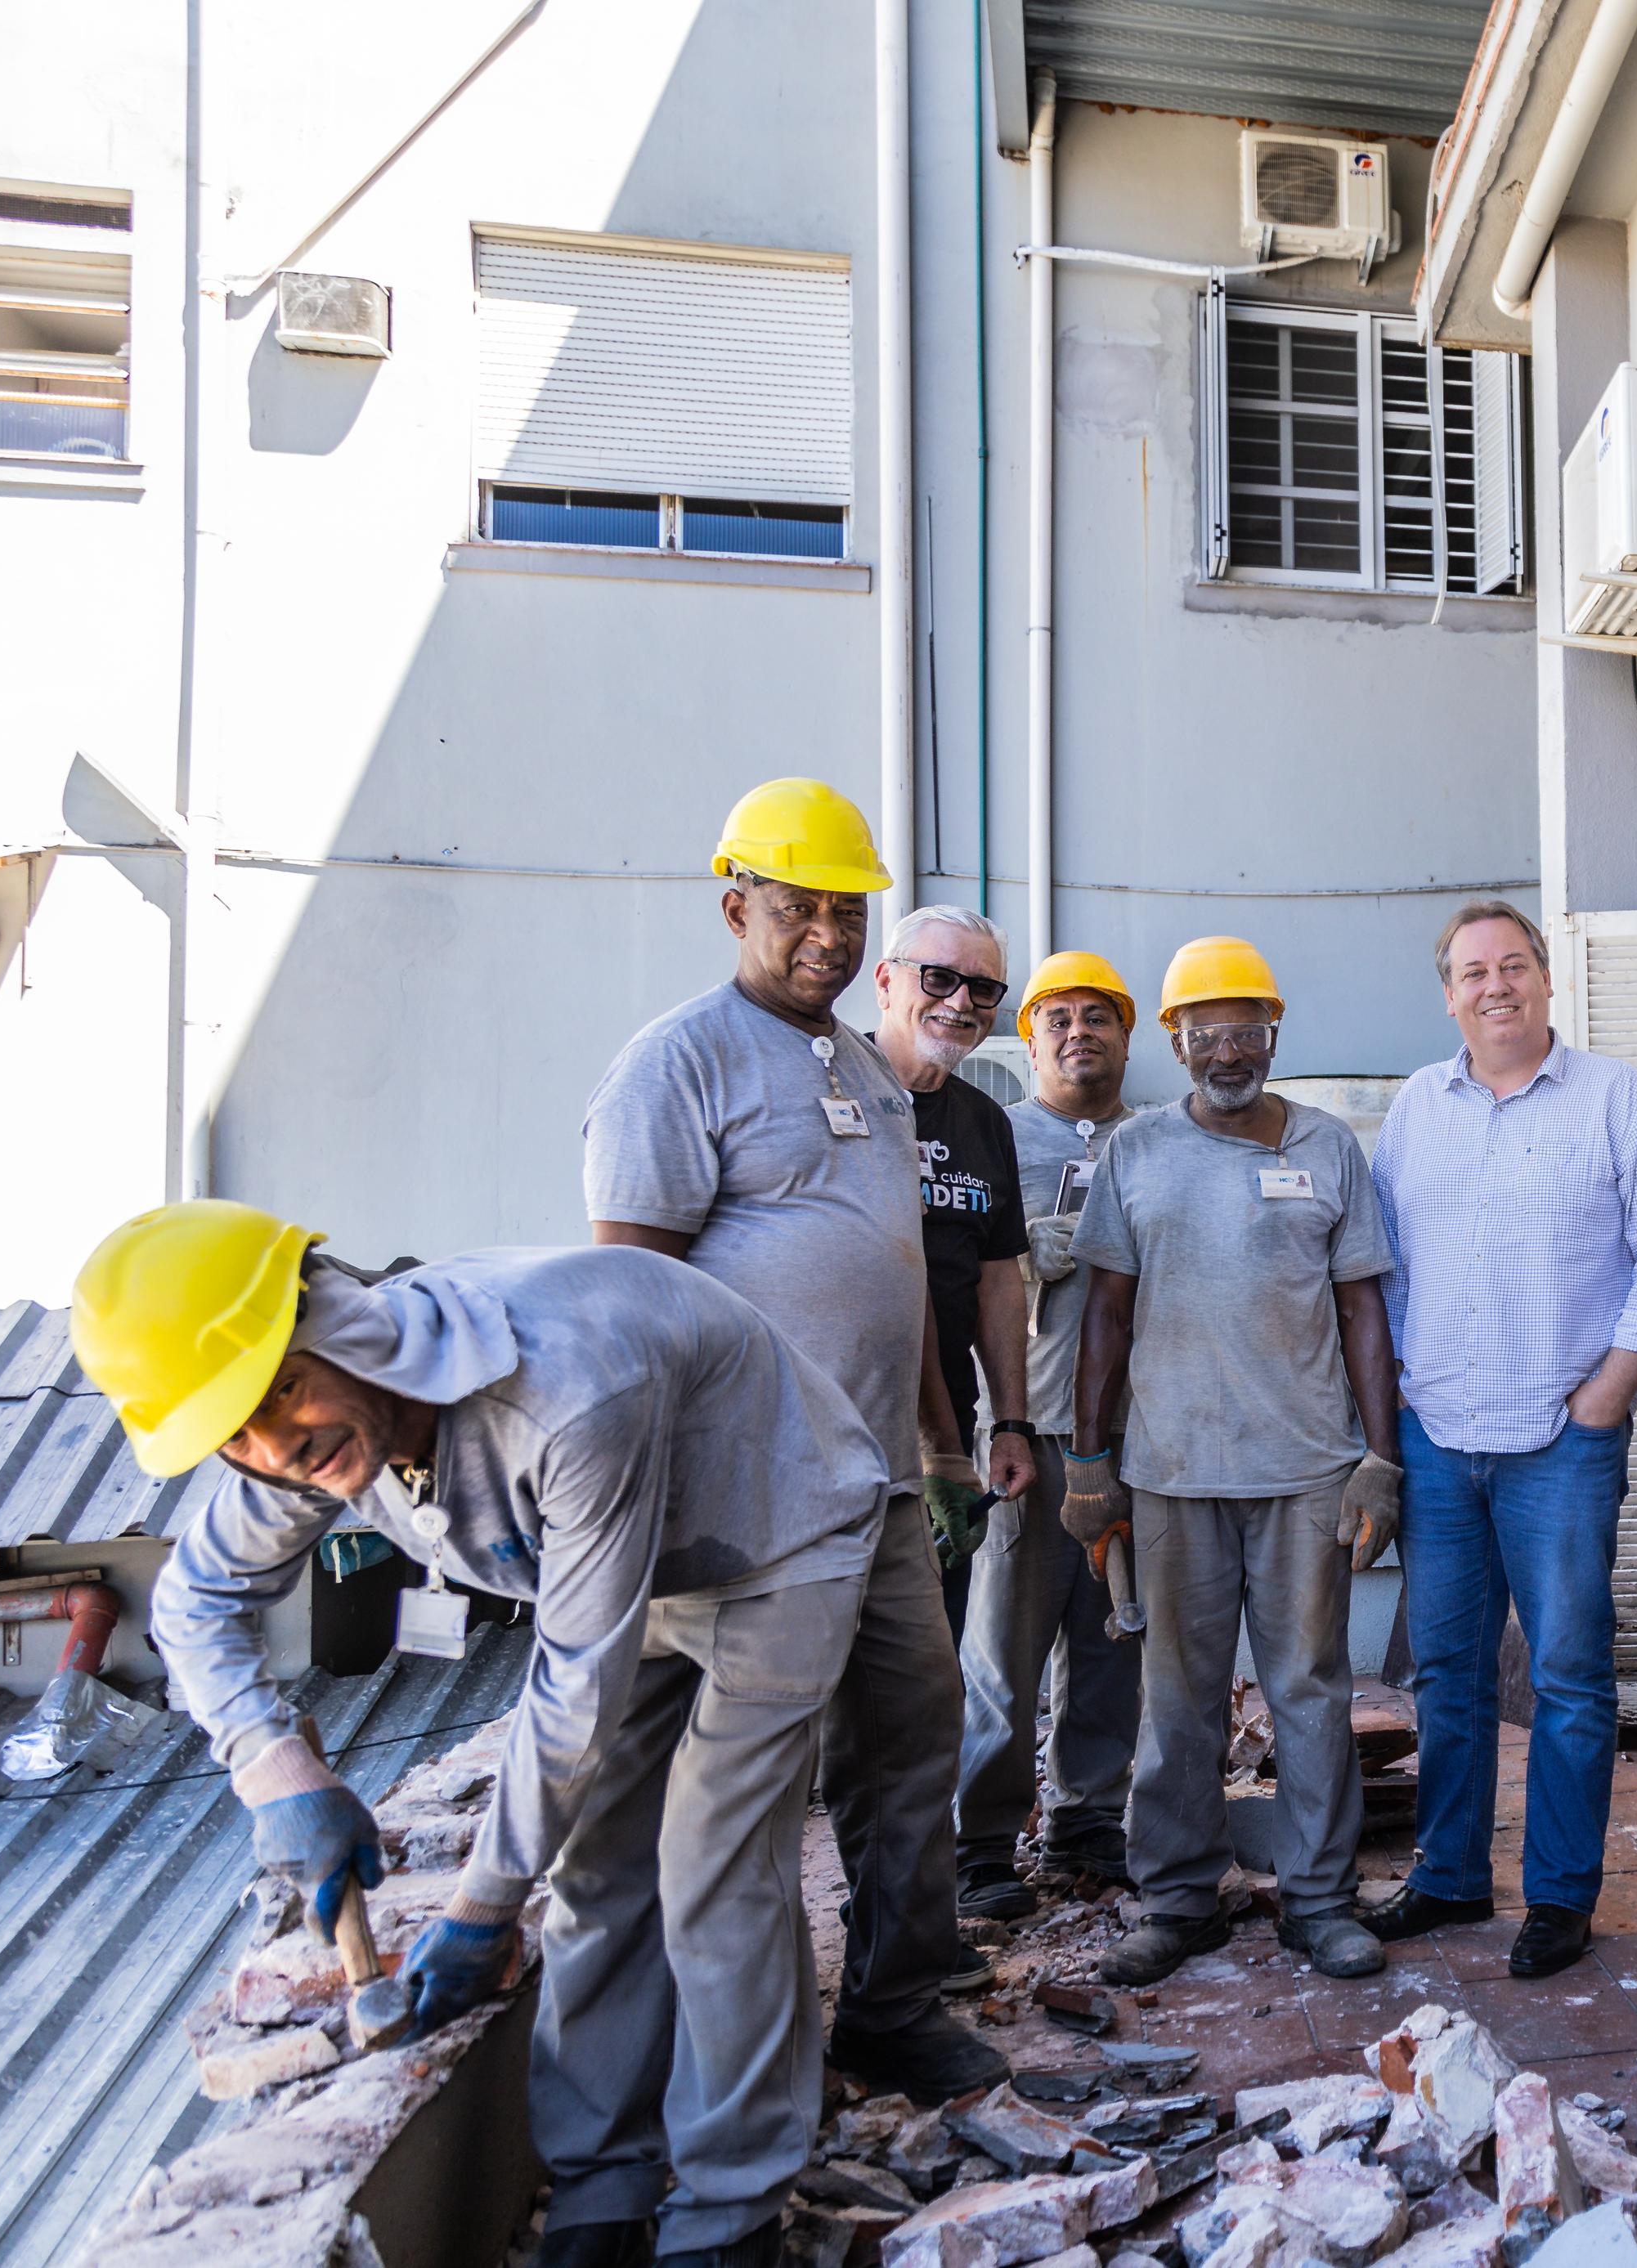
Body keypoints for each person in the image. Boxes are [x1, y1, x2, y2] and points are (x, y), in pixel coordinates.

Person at [85, 1204, 886, 2268]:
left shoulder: (563, 1390)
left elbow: (571, 1690)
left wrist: (479, 1907)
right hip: (613, 1569)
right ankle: (604, 2178)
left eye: (284, 1388)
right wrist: (282, 1776)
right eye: (235, 1427)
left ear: (338, 1322)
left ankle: (727, 2212)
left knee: (715, 1865)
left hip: (777, 1533)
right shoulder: (299, 1441)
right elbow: (193, 1605)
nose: (277, 1445)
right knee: (601, 1869)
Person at [581, 778, 1011, 2104]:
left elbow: (896, 1280)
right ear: (735, 906)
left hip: (879, 1482)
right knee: (756, 1785)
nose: (825, 930)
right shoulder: (679, 1058)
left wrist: (944, 1446)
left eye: (844, 904)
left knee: (915, 1728)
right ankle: (757, 2059)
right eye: (798, 904)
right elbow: (628, 1300)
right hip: (749, 1496)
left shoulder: (862, 1069)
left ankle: (891, 2005)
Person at [1063, 936, 1403, 1985]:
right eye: (1202, 1028)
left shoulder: (1328, 1147)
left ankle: (1316, 1899)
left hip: (1305, 1468)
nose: (1225, 1046)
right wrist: (1088, 1460)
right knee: (1179, 1694)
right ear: (1172, 1039)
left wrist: (1377, 1459)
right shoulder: (1136, 1154)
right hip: (1171, 1472)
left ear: (1273, 1030)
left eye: (1244, 1025)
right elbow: (1104, 1316)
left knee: (1308, 1687)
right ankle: (1177, 1899)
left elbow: (1362, 1310)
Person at [1365, 899, 1637, 1980]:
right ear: (1447, 991)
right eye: (1472, 971)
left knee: (1568, 1675)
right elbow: (1390, 1262)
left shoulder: (1613, 1098)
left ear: (1546, 979)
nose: (1494, 985)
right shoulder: (1417, 1106)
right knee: (1446, 1672)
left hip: (1561, 1434)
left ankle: (1560, 1894)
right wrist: (1404, 1381)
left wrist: (1613, 1386)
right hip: (1439, 1436)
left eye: (1513, 965)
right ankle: (1450, 1874)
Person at [955, 950, 1146, 1916]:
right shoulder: (993, 1135)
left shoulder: (1157, 1142)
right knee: (1002, 1649)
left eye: (1099, 1016)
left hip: (1125, 1448)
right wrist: (1028, 1259)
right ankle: (982, 1844)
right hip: (1021, 1439)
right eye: (1058, 1016)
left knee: (1111, 1640)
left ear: (1128, 1032)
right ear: (1028, 1037)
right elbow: (949, 1266)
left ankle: (1087, 1822)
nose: (1080, 1031)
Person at [868, 905, 1034, 1627]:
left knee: (928, 1667)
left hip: (948, 1439)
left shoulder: (983, 1120)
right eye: (938, 977)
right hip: (839, 1430)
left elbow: (999, 1279)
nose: (960, 1001)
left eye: (984, 988)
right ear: (885, 982)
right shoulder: (839, 1092)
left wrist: (1011, 1424)